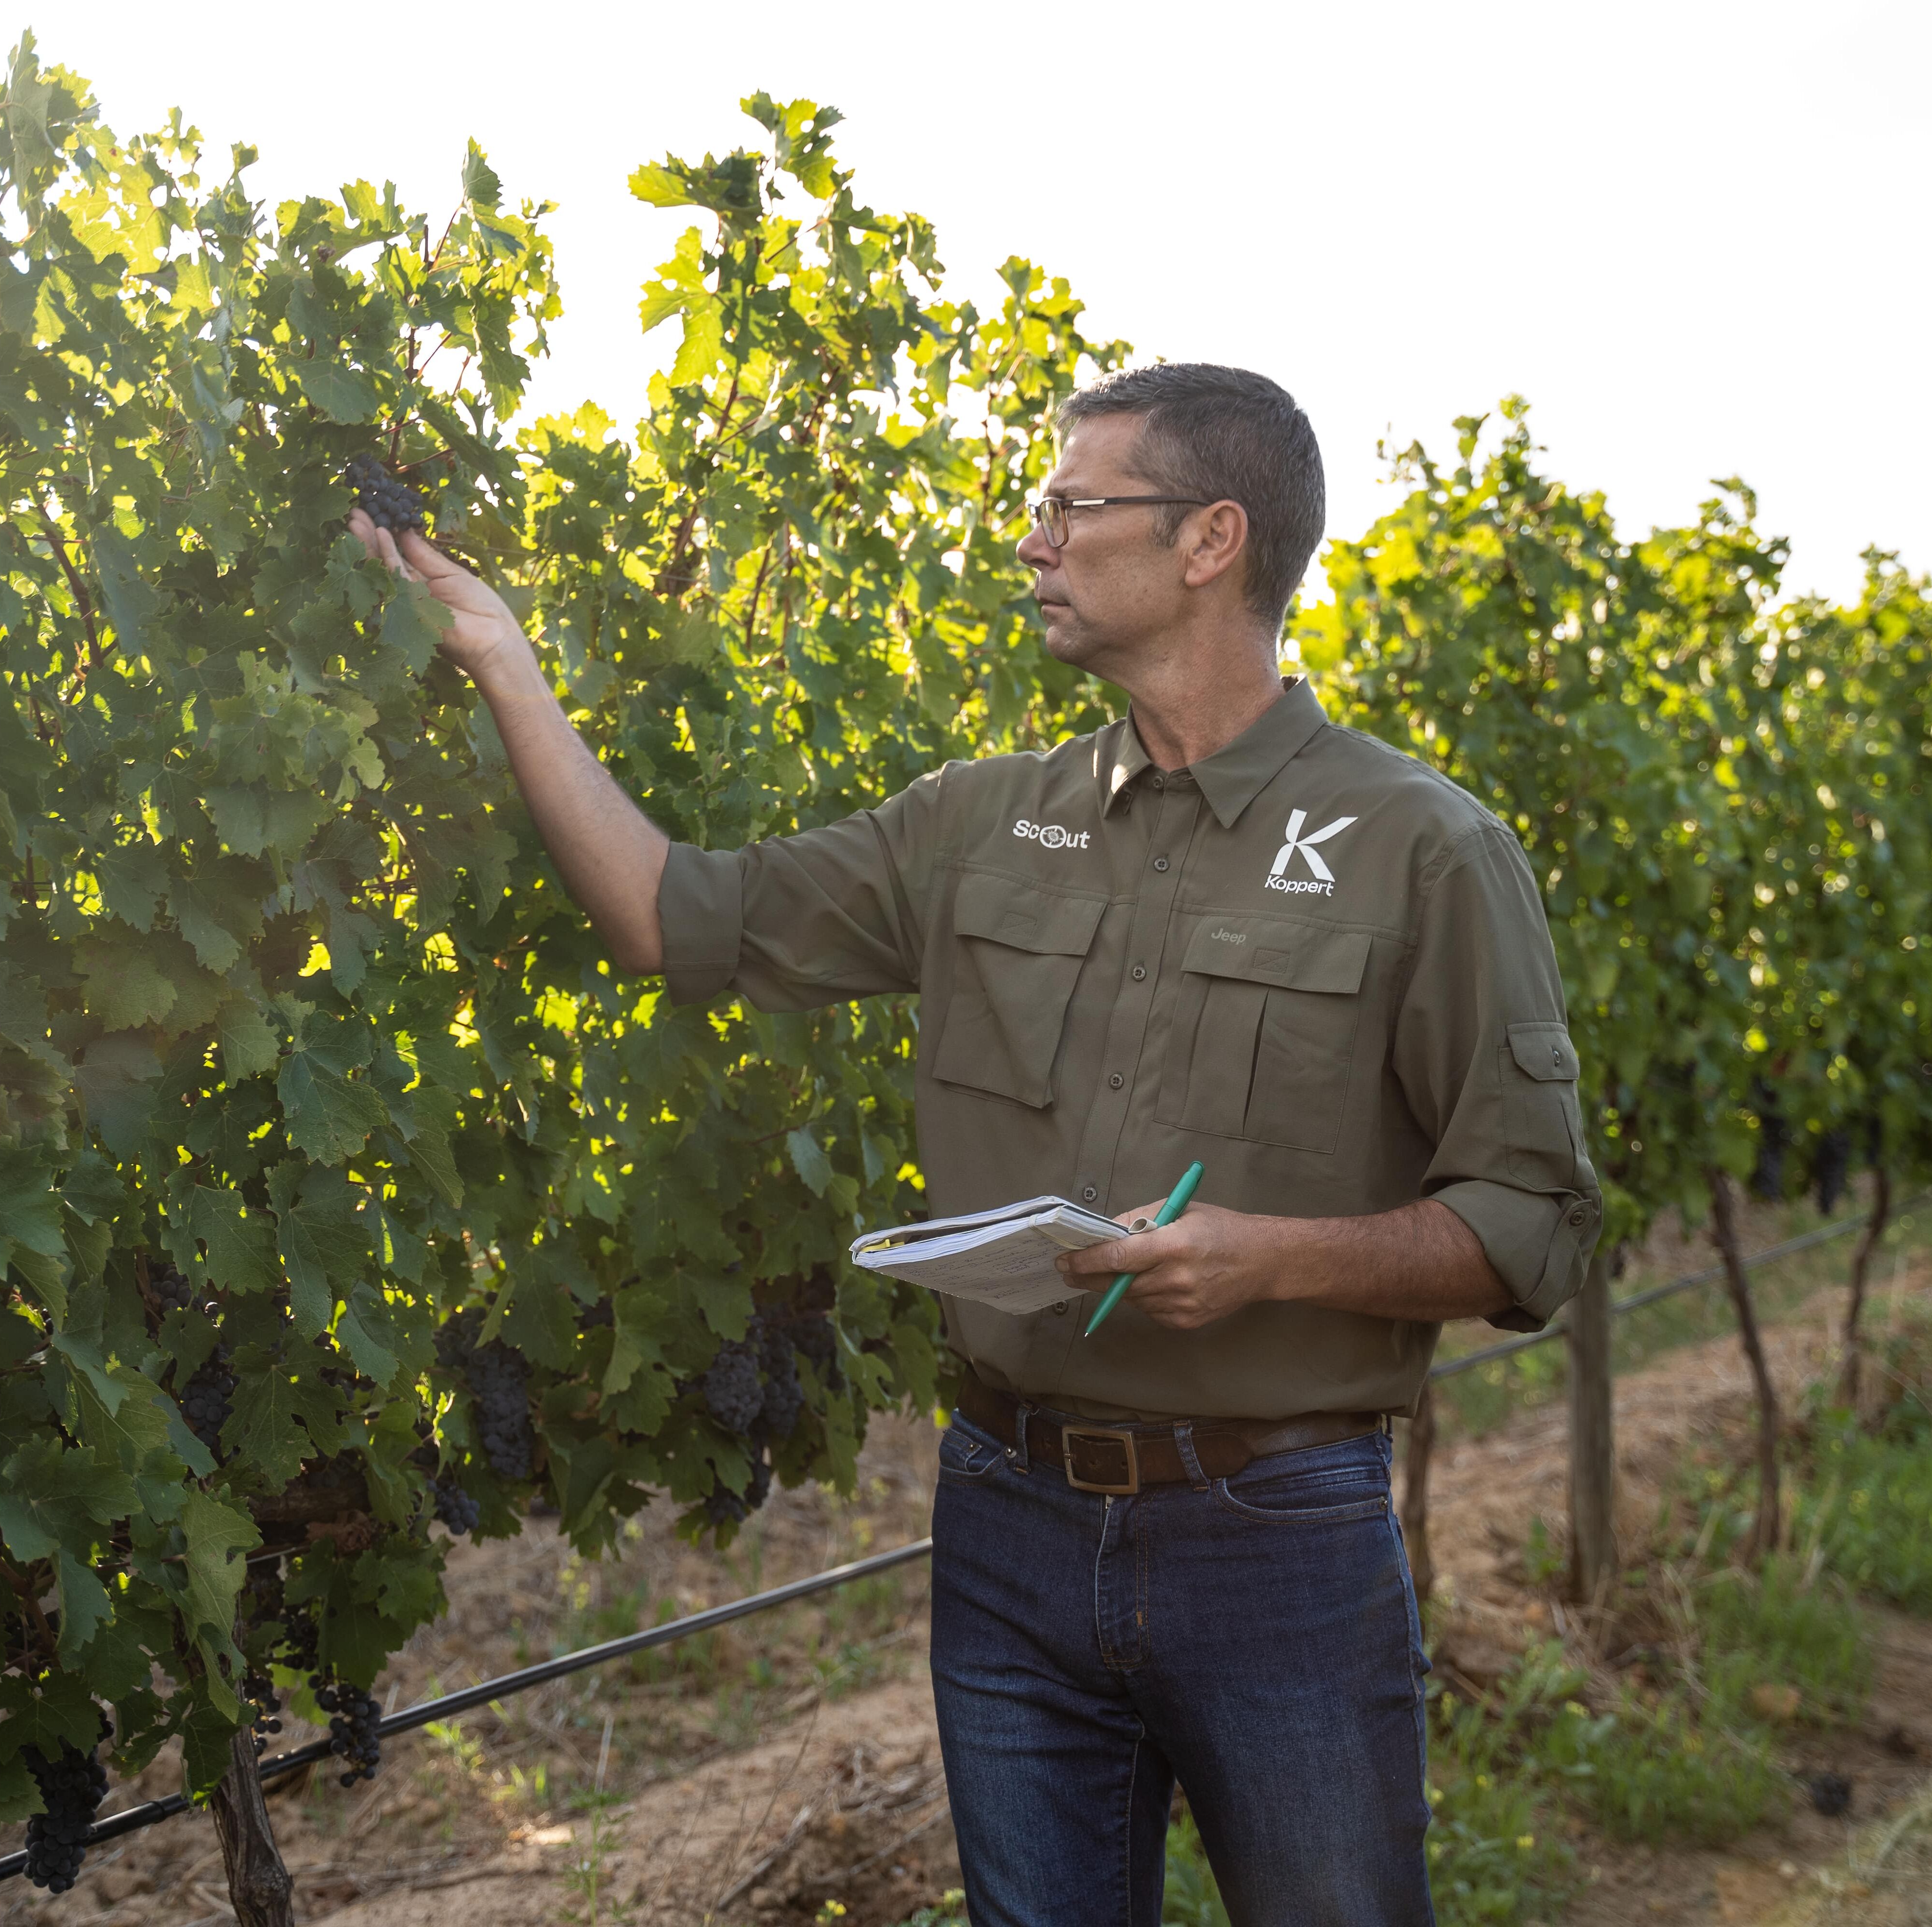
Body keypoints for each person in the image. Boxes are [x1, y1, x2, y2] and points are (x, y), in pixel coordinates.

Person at [352, 362, 1602, 1927]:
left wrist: (1267, 1261)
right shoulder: (982, 822)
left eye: (1074, 506)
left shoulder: (1424, 850)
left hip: (1272, 1538)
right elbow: (676, 919)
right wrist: (505, 664)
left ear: (1210, 541)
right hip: (1006, 1519)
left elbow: (1531, 1221)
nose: (1034, 541)